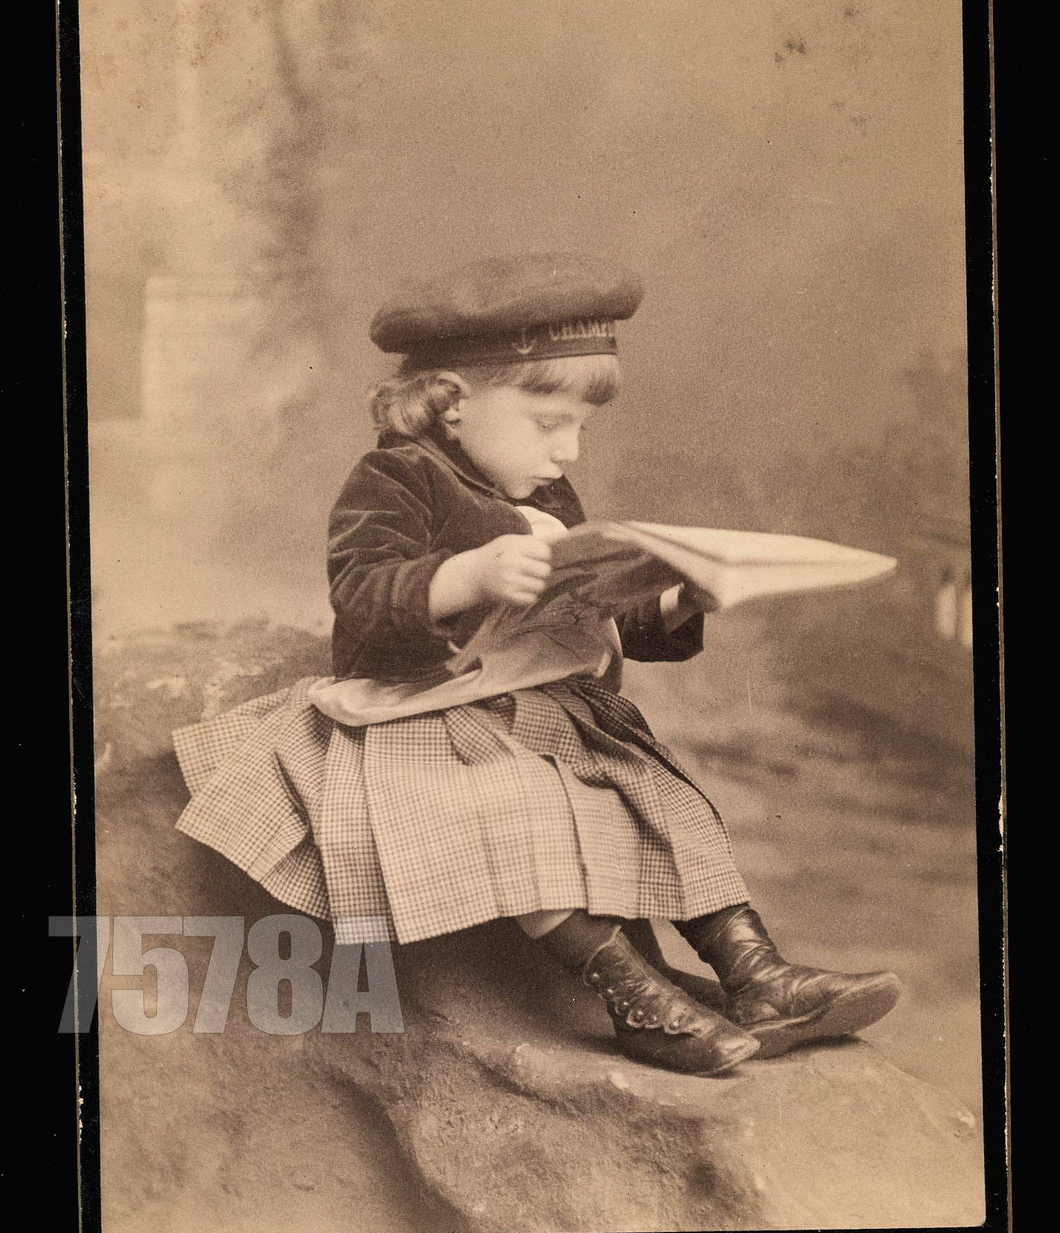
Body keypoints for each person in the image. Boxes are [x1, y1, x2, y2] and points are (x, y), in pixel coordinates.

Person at [174, 252, 900, 1076]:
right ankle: (630, 994)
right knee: (518, 813)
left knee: (662, 798)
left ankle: (755, 972)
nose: (571, 452)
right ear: (451, 403)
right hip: (429, 708)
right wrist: (467, 576)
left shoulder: (547, 499)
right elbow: (361, 590)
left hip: (544, 704)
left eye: (581, 429)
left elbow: (601, 611)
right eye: (549, 423)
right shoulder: (396, 478)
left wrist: (678, 601)